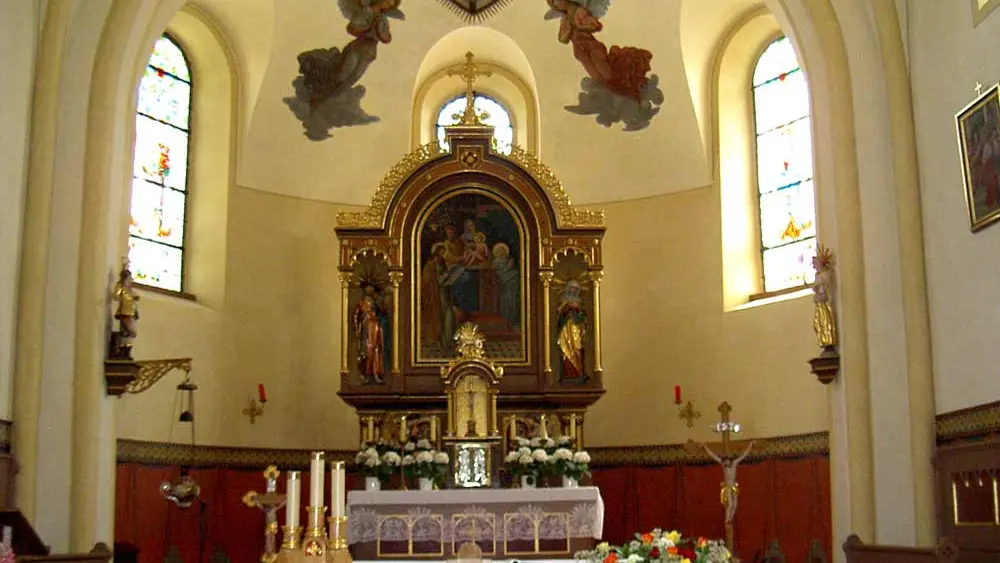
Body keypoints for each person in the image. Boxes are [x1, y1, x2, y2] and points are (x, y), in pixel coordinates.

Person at [702, 441, 755, 524]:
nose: (726, 463)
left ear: (730, 460)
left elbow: (744, 455)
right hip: (727, 487)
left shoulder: (734, 463)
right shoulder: (723, 465)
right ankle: (727, 519)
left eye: (727, 461)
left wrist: (750, 445)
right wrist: (705, 447)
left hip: (734, 486)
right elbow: (713, 456)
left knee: (735, 505)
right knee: (730, 504)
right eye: (725, 462)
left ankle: (730, 519)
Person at [556, 280, 586, 381]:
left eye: (575, 289)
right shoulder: (563, 301)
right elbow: (559, 315)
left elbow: (582, 318)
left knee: (577, 349)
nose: (573, 290)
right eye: (571, 288)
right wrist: (567, 309)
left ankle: (578, 373)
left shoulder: (579, 302)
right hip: (565, 330)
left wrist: (577, 311)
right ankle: (568, 374)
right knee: (566, 350)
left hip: (576, 331)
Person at [353, 295, 385, 384]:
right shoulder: (361, 304)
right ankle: (367, 375)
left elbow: (382, 313)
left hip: (375, 330)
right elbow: (356, 316)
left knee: (376, 353)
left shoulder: (376, 305)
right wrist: (357, 328)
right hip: (366, 333)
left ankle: (376, 374)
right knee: (367, 353)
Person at [113, 263, 140, 358]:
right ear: (125, 278)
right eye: (129, 277)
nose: (131, 279)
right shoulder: (121, 286)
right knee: (128, 332)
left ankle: (127, 350)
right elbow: (115, 296)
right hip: (124, 312)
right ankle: (123, 351)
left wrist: (134, 299)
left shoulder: (130, 289)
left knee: (130, 333)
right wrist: (124, 299)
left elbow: (133, 299)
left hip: (131, 312)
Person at [492, 243, 519, 330]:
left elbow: (511, 269)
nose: (501, 253)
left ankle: (512, 321)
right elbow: (494, 270)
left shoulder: (509, 260)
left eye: (502, 251)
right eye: (499, 251)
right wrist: (507, 268)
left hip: (510, 283)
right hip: (502, 279)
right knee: (506, 300)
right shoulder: (496, 261)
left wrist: (510, 266)